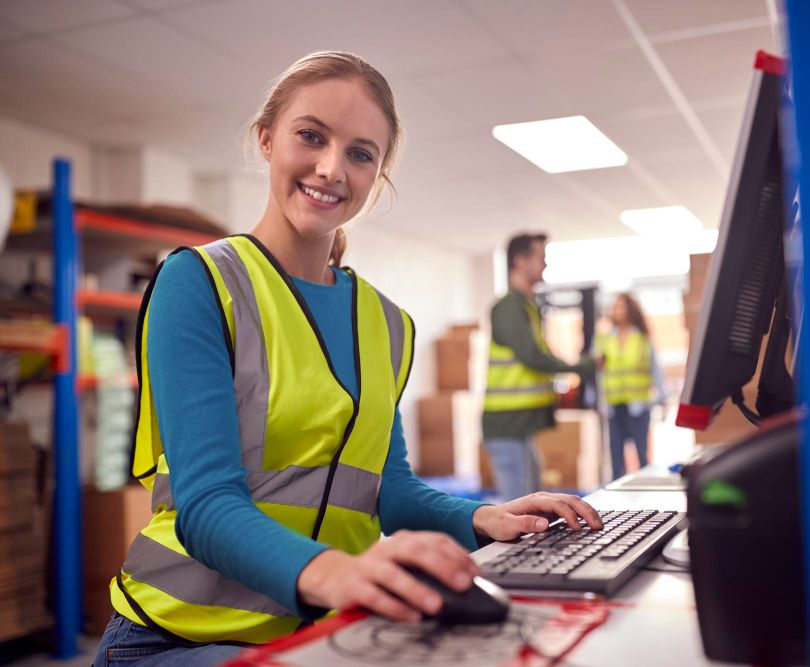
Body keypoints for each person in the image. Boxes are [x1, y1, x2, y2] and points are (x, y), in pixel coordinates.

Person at [95, 52, 602, 665]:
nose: (331, 168)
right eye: (311, 136)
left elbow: (387, 490)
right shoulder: (200, 283)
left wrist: (485, 518)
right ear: (266, 139)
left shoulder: (387, 323)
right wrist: (336, 572)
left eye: (361, 153)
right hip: (177, 636)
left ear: (378, 174)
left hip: (320, 635)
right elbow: (205, 506)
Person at [482, 233, 595, 502]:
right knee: (518, 510)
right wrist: (580, 367)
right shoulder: (509, 307)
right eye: (540, 258)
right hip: (507, 426)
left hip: (520, 427)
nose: (545, 265)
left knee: (532, 501)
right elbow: (532, 357)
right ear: (521, 262)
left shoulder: (526, 306)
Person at [595, 293, 668, 480]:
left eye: (622, 306)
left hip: (638, 405)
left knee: (642, 453)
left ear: (630, 309)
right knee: (616, 457)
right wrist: (596, 400)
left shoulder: (641, 337)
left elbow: (654, 368)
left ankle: (646, 490)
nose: (618, 310)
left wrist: (663, 397)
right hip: (614, 404)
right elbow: (597, 370)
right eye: (615, 307)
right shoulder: (605, 338)